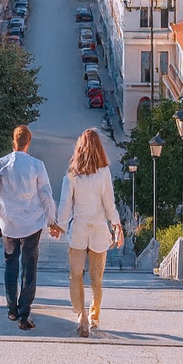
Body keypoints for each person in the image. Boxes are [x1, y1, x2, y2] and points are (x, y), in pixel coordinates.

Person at [0, 125, 56, 330]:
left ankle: (11, 309)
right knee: (29, 266)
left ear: (13, 141)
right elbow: (45, 194)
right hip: (32, 223)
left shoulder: (1, 164)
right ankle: (24, 313)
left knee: (10, 264)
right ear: (29, 142)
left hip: (9, 223)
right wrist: (51, 220)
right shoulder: (37, 165)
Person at [56, 128, 122, 337]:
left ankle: (81, 314)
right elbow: (109, 203)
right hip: (99, 230)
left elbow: (65, 204)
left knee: (76, 275)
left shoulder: (72, 174)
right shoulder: (104, 173)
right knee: (97, 278)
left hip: (79, 230)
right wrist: (116, 224)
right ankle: (94, 316)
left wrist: (60, 225)